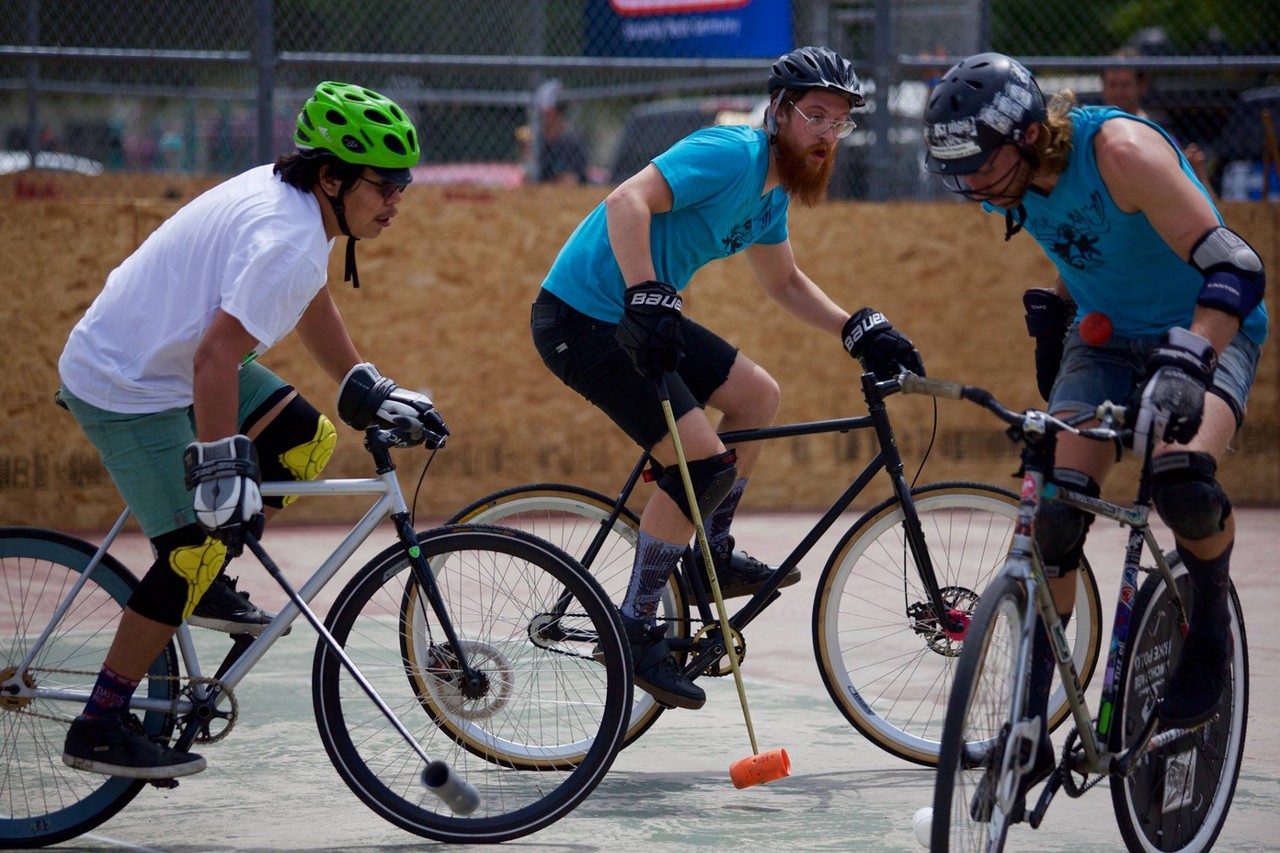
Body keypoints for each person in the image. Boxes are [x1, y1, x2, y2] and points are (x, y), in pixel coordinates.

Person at [57, 81, 449, 778]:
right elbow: (215, 357)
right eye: (384, 185)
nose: (396, 201)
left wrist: (361, 379)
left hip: (169, 352)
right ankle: (101, 721)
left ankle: (201, 578)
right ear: (331, 176)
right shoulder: (288, 235)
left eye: (403, 186)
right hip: (129, 378)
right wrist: (219, 467)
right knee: (189, 551)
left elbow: (303, 293)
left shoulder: (299, 208)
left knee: (306, 444)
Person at [531, 46, 925, 710]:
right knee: (700, 464)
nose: (828, 134)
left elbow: (785, 281)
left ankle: (707, 553)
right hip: (584, 318)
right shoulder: (732, 154)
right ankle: (633, 625)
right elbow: (627, 201)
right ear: (779, 111)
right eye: (816, 116)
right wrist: (645, 293)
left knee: (756, 395)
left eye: (841, 122)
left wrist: (855, 328)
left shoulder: (772, 192)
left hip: (643, 311)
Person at [923, 52, 1266, 808]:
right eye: (960, 173)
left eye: (981, 167)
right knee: (1053, 510)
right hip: (1104, 339)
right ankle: (1026, 721)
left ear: (1026, 135)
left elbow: (1236, 267)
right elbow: (1089, 243)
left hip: (1205, 331)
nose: (973, 187)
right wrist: (1058, 305)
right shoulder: (1004, 174)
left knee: (1180, 479)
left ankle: (1208, 621)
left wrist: (1191, 358)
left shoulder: (1120, 152)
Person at [1100, 48, 1217, 199]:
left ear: (1142, 86)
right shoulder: (1093, 130)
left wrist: (1197, 176)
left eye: (1125, 85)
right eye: (1112, 85)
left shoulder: (1159, 132)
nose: (1118, 92)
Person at [528, 79, 589, 185]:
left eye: (543, 112)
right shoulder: (541, 141)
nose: (540, 116)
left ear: (553, 112)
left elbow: (570, 183)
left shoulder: (570, 141)